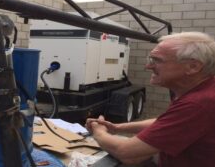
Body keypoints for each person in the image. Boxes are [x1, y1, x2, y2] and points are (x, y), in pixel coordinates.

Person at [85, 32, 215, 167]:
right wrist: (117, 127)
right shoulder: (204, 90)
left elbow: (126, 153)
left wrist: (98, 131)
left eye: (157, 60)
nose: (148, 66)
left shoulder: (197, 104)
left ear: (193, 67)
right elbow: (166, 123)